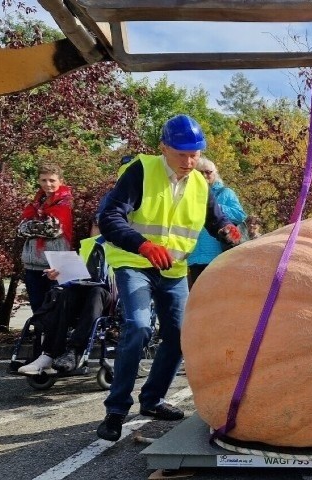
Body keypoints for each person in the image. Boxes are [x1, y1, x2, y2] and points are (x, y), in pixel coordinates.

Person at [95, 114, 241, 442]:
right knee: (139, 326)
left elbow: (215, 221)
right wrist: (143, 245)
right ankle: (116, 410)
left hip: (173, 270)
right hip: (134, 262)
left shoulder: (201, 186)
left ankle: (153, 399)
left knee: (179, 334)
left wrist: (227, 231)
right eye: (182, 154)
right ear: (164, 148)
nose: (190, 162)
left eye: (195, 154)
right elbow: (109, 217)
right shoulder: (141, 171)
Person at [16, 238, 112, 375]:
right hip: (82, 289)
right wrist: (58, 274)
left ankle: (74, 352)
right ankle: (48, 354)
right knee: (65, 293)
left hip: (109, 294)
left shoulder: (123, 243)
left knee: (96, 293)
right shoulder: (89, 244)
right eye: (96, 225)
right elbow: (76, 274)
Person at [18, 164, 73, 313]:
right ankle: (38, 336)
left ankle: (53, 337)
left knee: (54, 309)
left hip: (55, 264)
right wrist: (35, 225)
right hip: (33, 263)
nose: (47, 184)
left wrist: (30, 226)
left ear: (60, 181)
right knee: (37, 308)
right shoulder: (37, 201)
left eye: (52, 180)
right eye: (43, 180)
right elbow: (20, 229)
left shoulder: (64, 201)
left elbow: (53, 229)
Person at [187, 158, 247, 288]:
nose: (204, 176)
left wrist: (213, 207)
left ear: (215, 173)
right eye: (200, 172)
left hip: (218, 256)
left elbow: (239, 215)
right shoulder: (188, 193)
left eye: (208, 172)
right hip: (193, 256)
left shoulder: (225, 193)